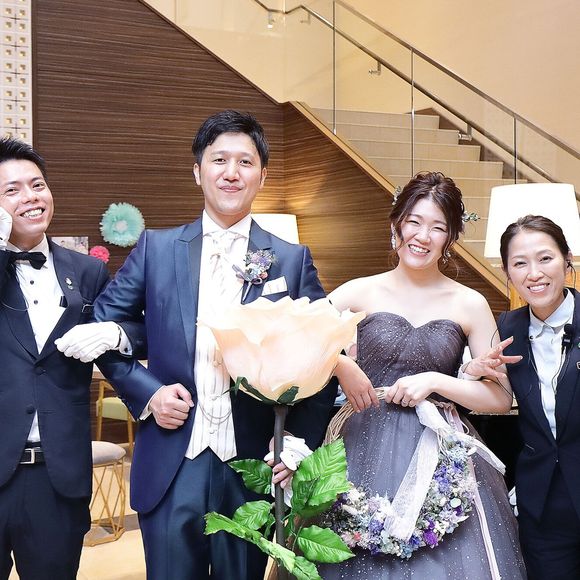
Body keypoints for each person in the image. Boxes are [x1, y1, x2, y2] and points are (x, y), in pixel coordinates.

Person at [65, 110, 337, 580]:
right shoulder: (156, 248)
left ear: (262, 176)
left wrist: (295, 443)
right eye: (219, 160)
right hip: (172, 461)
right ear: (197, 171)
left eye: (245, 162)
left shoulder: (290, 260)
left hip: (250, 465)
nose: (232, 172)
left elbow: (326, 354)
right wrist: (148, 392)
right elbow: (103, 329)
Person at [320, 172, 526, 579]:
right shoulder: (358, 291)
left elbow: (501, 398)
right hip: (361, 440)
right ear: (396, 223)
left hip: (440, 444)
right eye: (414, 222)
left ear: (450, 237)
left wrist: (437, 381)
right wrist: (341, 364)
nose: (422, 236)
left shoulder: (470, 303)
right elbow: (295, 341)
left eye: (438, 227)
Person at [0, 137, 132, 579]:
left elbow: (133, 330)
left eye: (37, 184)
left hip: (56, 477)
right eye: (12, 190)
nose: (30, 197)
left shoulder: (87, 270)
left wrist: (114, 333)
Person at [464, 215, 580, 579]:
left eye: (545, 258)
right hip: (542, 502)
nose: (534, 273)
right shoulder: (507, 327)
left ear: (567, 259)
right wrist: (473, 370)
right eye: (520, 263)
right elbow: (489, 394)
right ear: (507, 273)